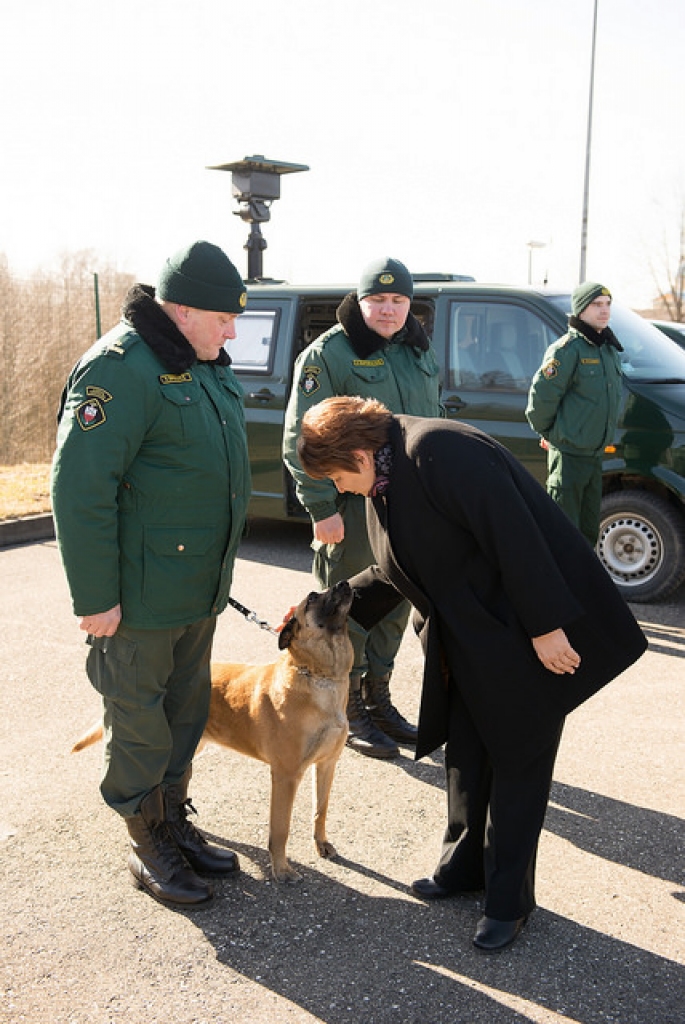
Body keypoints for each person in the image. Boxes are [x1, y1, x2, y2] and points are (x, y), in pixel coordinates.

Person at [296, 395, 646, 952]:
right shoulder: (385, 473)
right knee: (468, 753)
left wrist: (547, 627)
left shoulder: (440, 450)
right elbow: (399, 565)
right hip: (467, 637)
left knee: (517, 763)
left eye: (337, 476)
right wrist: (314, 614)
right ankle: (463, 870)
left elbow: (519, 537)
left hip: (522, 632)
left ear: (358, 454)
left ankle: (509, 902)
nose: (340, 488)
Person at [51, 241, 251, 910]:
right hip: (136, 596)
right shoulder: (120, 369)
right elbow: (80, 490)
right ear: (182, 309)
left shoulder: (203, 364)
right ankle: (145, 838)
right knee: (138, 720)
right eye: (224, 319)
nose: (233, 332)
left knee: (184, 711)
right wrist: (95, 597)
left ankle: (172, 818)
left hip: (195, 588)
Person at [282, 257, 443, 759]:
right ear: (360, 301)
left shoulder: (416, 350)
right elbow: (300, 438)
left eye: (399, 301)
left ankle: (379, 700)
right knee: (347, 610)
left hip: (404, 503)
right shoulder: (329, 354)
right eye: (379, 300)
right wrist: (320, 507)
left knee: (393, 603)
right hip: (351, 507)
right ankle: (347, 710)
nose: (390, 310)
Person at [525, 282, 623, 546]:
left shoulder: (608, 349)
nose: (604, 311)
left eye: (607, 304)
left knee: (589, 531)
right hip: (569, 456)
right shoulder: (567, 350)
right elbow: (541, 399)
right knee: (563, 532)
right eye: (596, 305)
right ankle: (561, 585)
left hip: (594, 455)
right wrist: (552, 435)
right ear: (581, 311)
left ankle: (583, 584)